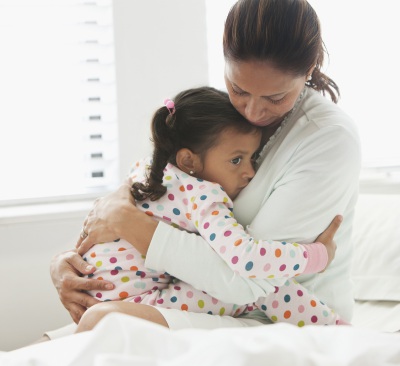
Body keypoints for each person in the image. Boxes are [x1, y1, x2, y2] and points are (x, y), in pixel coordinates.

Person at [49, 0, 360, 338]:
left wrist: (129, 223)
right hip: (183, 291)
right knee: (41, 352)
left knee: (104, 326)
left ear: (311, 67)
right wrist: (71, 263)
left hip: (278, 316)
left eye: (275, 97)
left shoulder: (327, 139)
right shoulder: (217, 115)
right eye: (239, 89)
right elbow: (150, 195)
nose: (253, 111)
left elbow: (249, 281)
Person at [75, 86, 343, 333]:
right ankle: (338, 331)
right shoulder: (202, 194)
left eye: (253, 158)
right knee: (264, 287)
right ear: (188, 160)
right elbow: (246, 258)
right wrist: (317, 256)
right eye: (236, 160)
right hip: (139, 301)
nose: (250, 172)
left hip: (96, 293)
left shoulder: (146, 169)